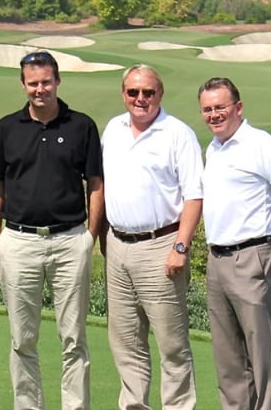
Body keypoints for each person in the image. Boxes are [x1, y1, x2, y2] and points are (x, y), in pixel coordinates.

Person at [0, 50, 104, 410]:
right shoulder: (6, 128)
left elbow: (95, 183)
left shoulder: (81, 125)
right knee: (23, 339)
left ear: (58, 81)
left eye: (46, 81)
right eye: (33, 83)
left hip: (70, 241)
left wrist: (90, 236)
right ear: (23, 85)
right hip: (19, 241)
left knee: (74, 338)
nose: (40, 89)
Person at [197, 77, 271, 410]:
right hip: (217, 260)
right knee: (229, 359)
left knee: (263, 353)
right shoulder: (213, 148)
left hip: (253, 255)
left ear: (238, 107)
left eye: (220, 107)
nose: (214, 115)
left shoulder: (261, 143)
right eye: (207, 109)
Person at [100, 64, 203, 410]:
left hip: (161, 245)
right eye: (133, 92)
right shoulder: (113, 129)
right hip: (117, 246)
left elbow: (194, 196)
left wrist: (180, 247)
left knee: (171, 343)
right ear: (123, 93)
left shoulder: (177, 133)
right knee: (126, 341)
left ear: (160, 94)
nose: (140, 99)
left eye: (148, 92)